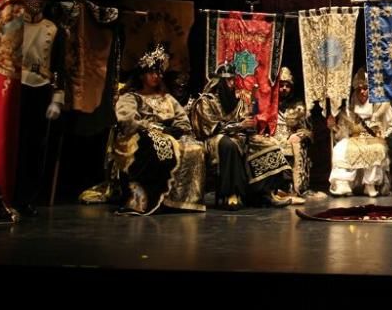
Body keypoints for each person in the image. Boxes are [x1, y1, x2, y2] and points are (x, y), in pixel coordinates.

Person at [113, 45, 205, 214]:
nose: (156, 76)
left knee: (195, 148)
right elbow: (127, 120)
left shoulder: (167, 98)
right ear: (142, 75)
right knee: (156, 145)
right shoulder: (131, 97)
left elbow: (182, 120)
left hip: (167, 136)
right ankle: (145, 197)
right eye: (151, 72)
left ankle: (180, 200)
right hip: (138, 136)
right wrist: (155, 128)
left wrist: (178, 130)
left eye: (159, 73)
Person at [189, 62, 292, 209]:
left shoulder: (238, 101)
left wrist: (249, 124)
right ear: (219, 81)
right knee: (229, 145)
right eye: (228, 80)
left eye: (233, 79)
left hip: (239, 136)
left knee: (268, 143)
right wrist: (239, 126)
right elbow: (210, 128)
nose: (231, 83)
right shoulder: (205, 102)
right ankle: (232, 193)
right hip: (214, 139)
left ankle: (266, 193)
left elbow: (245, 118)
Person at [12, 0, 65, 216]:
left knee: (35, 147)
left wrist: (58, 97)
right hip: (14, 87)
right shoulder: (11, 24)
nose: (37, 3)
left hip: (39, 87)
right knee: (12, 142)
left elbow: (61, 67)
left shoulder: (53, 29)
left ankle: (26, 197)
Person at [327, 67, 392, 197]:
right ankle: (343, 185)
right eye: (360, 90)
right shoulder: (349, 108)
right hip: (354, 138)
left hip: (373, 138)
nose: (363, 92)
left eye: (366, 89)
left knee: (376, 149)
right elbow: (343, 130)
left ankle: (370, 185)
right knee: (339, 149)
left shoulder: (380, 106)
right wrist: (334, 127)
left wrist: (384, 134)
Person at [271, 67, 313, 199]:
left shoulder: (298, 106)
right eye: (281, 85)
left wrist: (297, 135)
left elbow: (307, 130)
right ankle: (271, 188)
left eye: (287, 86)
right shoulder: (270, 104)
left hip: (290, 138)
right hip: (272, 137)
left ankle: (290, 187)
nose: (283, 88)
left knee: (291, 146)